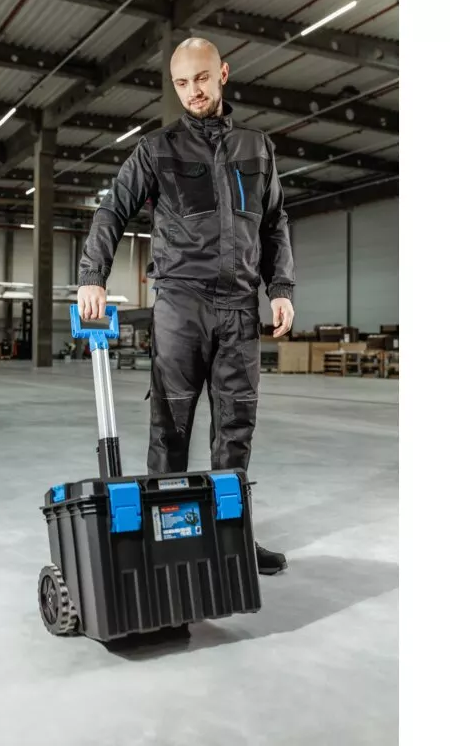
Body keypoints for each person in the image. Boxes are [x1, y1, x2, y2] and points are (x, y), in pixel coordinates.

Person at [75, 37, 295, 576]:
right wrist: (92, 276)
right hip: (180, 306)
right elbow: (112, 210)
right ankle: (164, 544)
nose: (192, 91)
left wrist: (281, 287)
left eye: (200, 78)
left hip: (239, 307)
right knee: (170, 430)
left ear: (222, 74)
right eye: (180, 83)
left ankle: (232, 540)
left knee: (235, 431)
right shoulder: (157, 149)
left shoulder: (257, 147)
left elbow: (274, 223)